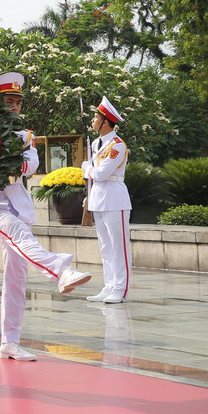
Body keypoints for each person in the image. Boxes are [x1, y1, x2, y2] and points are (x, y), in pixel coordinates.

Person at [0, 72, 91, 362]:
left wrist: (6, 160)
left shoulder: (25, 136)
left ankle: (9, 342)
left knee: (16, 280)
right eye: (8, 101)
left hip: (17, 205)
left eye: (17, 102)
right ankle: (60, 269)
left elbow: (30, 166)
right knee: (20, 235)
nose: (13, 107)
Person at [82, 97, 132, 304]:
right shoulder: (96, 144)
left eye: (96, 117)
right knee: (105, 247)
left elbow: (101, 174)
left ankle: (120, 288)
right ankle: (109, 285)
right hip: (98, 198)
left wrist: (87, 168)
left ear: (106, 122)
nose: (92, 121)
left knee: (118, 247)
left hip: (114, 198)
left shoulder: (117, 146)